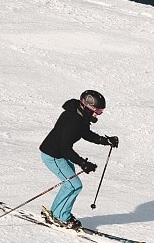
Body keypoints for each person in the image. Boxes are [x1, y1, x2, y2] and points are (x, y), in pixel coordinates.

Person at [37, 89, 118, 229]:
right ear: (88, 107)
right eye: (98, 111)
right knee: (74, 185)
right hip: (53, 156)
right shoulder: (72, 119)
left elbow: (85, 133)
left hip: (60, 154)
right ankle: (61, 217)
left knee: (70, 185)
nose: (99, 114)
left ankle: (57, 213)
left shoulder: (80, 116)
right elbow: (65, 147)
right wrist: (82, 163)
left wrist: (105, 141)